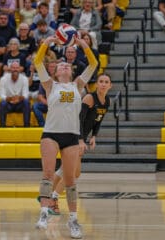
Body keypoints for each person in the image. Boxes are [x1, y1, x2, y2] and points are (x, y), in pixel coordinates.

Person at [34, 35, 98, 239]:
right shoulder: (49, 85)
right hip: (51, 134)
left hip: (71, 136)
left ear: (71, 71)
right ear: (55, 70)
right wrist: (47, 42)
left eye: (66, 66)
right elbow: (37, 61)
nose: (63, 67)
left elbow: (94, 63)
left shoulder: (77, 86)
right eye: (60, 65)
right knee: (48, 174)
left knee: (70, 181)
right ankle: (44, 213)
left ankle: (73, 220)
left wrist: (82, 44)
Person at [49, 73, 112, 215]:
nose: (103, 84)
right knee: (72, 173)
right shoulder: (89, 98)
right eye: (100, 81)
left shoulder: (107, 101)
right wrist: (81, 139)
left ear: (110, 85)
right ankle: (53, 200)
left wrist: (94, 136)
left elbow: (98, 120)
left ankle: (46, 195)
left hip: (79, 136)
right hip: (73, 133)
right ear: (96, 84)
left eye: (106, 82)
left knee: (69, 170)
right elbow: (79, 119)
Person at [0, 61, 30, 127]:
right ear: (10, 69)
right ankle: (2, 126)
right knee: (2, 103)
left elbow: (26, 95)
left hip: (19, 104)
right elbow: (2, 95)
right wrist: (10, 99)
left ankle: (27, 126)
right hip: (9, 104)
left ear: (19, 69)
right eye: (13, 68)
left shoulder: (24, 79)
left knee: (26, 102)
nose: (15, 69)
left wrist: (19, 98)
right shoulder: (3, 79)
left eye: (17, 68)